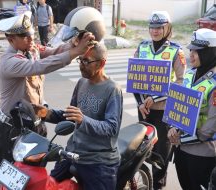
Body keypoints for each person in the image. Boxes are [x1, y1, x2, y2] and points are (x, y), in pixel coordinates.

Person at [0, 11, 94, 190]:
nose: (31, 39)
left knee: (35, 178)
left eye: (31, 34)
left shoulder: (30, 49)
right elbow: (40, 66)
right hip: (11, 130)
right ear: (11, 40)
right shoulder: (9, 62)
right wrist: (75, 52)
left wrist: (73, 43)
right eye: (25, 37)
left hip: (33, 123)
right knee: (9, 181)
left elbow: (53, 52)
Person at [34, 42, 123, 190]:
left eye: (86, 61)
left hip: (98, 160)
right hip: (73, 152)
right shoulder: (82, 83)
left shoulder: (112, 89)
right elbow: (70, 115)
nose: (81, 65)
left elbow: (112, 128)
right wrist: (43, 113)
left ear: (101, 63)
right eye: (80, 60)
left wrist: (83, 120)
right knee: (46, 185)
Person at [133, 11, 187, 190]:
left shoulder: (175, 51)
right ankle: (140, 181)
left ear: (167, 28)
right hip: (144, 110)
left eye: (159, 27)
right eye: (152, 27)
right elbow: (134, 77)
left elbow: (181, 81)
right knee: (140, 150)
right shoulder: (142, 48)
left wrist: (156, 97)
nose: (155, 31)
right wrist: (141, 102)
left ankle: (158, 184)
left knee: (161, 153)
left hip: (164, 111)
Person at [168, 28, 216, 190]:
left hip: (203, 155)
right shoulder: (190, 74)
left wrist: (180, 139)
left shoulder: (215, 84)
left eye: (197, 51)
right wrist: (172, 128)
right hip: (182, 151)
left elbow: (208, 130)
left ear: (210, 53)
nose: (191, 54)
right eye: (191, 49)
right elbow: (178, 107)